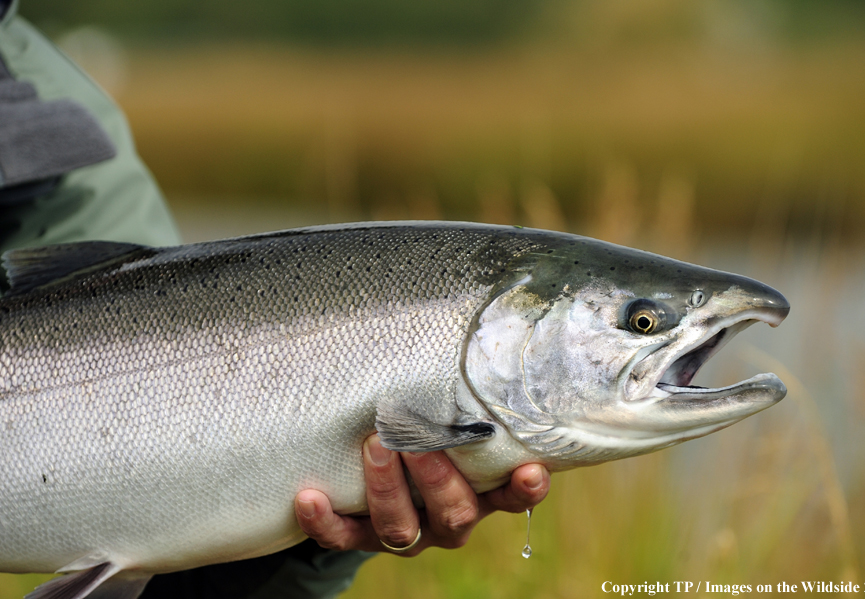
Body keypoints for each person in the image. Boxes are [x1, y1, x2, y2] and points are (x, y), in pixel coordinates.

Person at [0, 2, 551, 597]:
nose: (654, 334)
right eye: (644, 322)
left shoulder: (64, 137)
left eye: (641, 321)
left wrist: (315, 540)